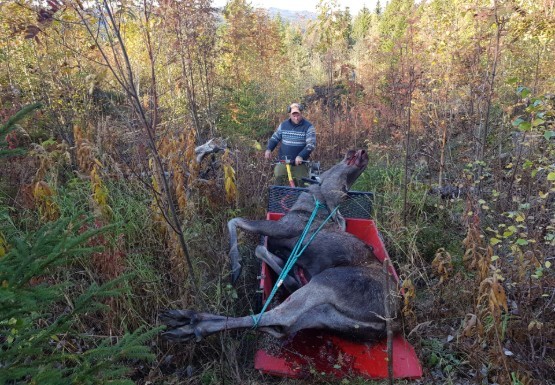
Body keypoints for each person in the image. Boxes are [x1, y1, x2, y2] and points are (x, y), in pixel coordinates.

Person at [264, 103, 316, 186]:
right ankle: (278, 197)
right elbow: (275, 138)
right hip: (283, 162)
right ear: (289, 114)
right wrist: (269, 149)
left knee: (303, 184)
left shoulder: (309, 127)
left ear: (301, 113)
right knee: (278, 180)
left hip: (299, 164)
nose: (296, 118)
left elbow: (311, 144)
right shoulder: (283, 125)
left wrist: (301, 156)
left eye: (298, 115)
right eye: (293, 115)